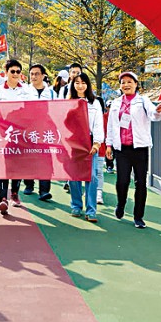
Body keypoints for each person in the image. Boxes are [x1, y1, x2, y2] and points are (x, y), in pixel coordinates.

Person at [105, 71, 161, 228]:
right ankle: (121, 204)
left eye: (129, 82)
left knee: (140, 183)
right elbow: (111, 125)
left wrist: (158, 110)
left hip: (140, 148)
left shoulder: (143, 100)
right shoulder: (116, 103)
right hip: (122, 149)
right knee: (122, 181)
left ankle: (139, 216)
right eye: (123, 82)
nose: (126, 85)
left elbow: (153, 114)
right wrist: (109, 144)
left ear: (136, 84)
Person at [0, 59, 33, 214]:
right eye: (12, 71)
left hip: (20, 133)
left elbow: (34, 109)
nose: (16, 74)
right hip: (1, 132)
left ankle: (14, 193)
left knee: (16, 164)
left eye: (18, 71)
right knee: (1, 165)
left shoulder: (27, 90)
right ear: (6, 73)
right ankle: (2, 197)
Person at [68, 73, 104, 222]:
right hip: (73, 142)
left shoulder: (94, 103)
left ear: (88, 85)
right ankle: (76, 205)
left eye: (83, 82)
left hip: (89, 141)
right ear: (73, 85)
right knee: (73, 176)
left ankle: (91, 210)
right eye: (77, 83)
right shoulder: (68, 102)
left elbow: (98, 124)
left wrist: (96, 143)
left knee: (92, 176)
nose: (80, 85)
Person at [21, 63, 56, 199]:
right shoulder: (25, 91)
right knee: (29, 157)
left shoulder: (51, 92)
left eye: (37, 74)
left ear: (43, 76)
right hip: (28, 130)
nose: (34, 76)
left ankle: (44, 190)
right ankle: (29, 184)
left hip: (45, 130)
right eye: (32, 74)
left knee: (46, 159)